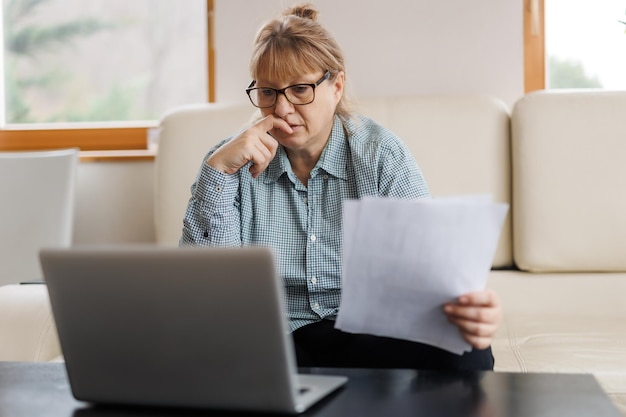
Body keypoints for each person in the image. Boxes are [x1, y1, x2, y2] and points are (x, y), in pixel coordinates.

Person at [180, 3, 502, 371]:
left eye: (300, 89)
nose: (282, 109)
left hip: (368, 335)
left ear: (336, 85)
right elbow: (205, 296)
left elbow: (429, 279)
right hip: (273, 341)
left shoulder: (382, 155)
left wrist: (468, 311)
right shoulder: (230, 162)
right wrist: (217, 172)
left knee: (467, 348)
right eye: (269, 92)